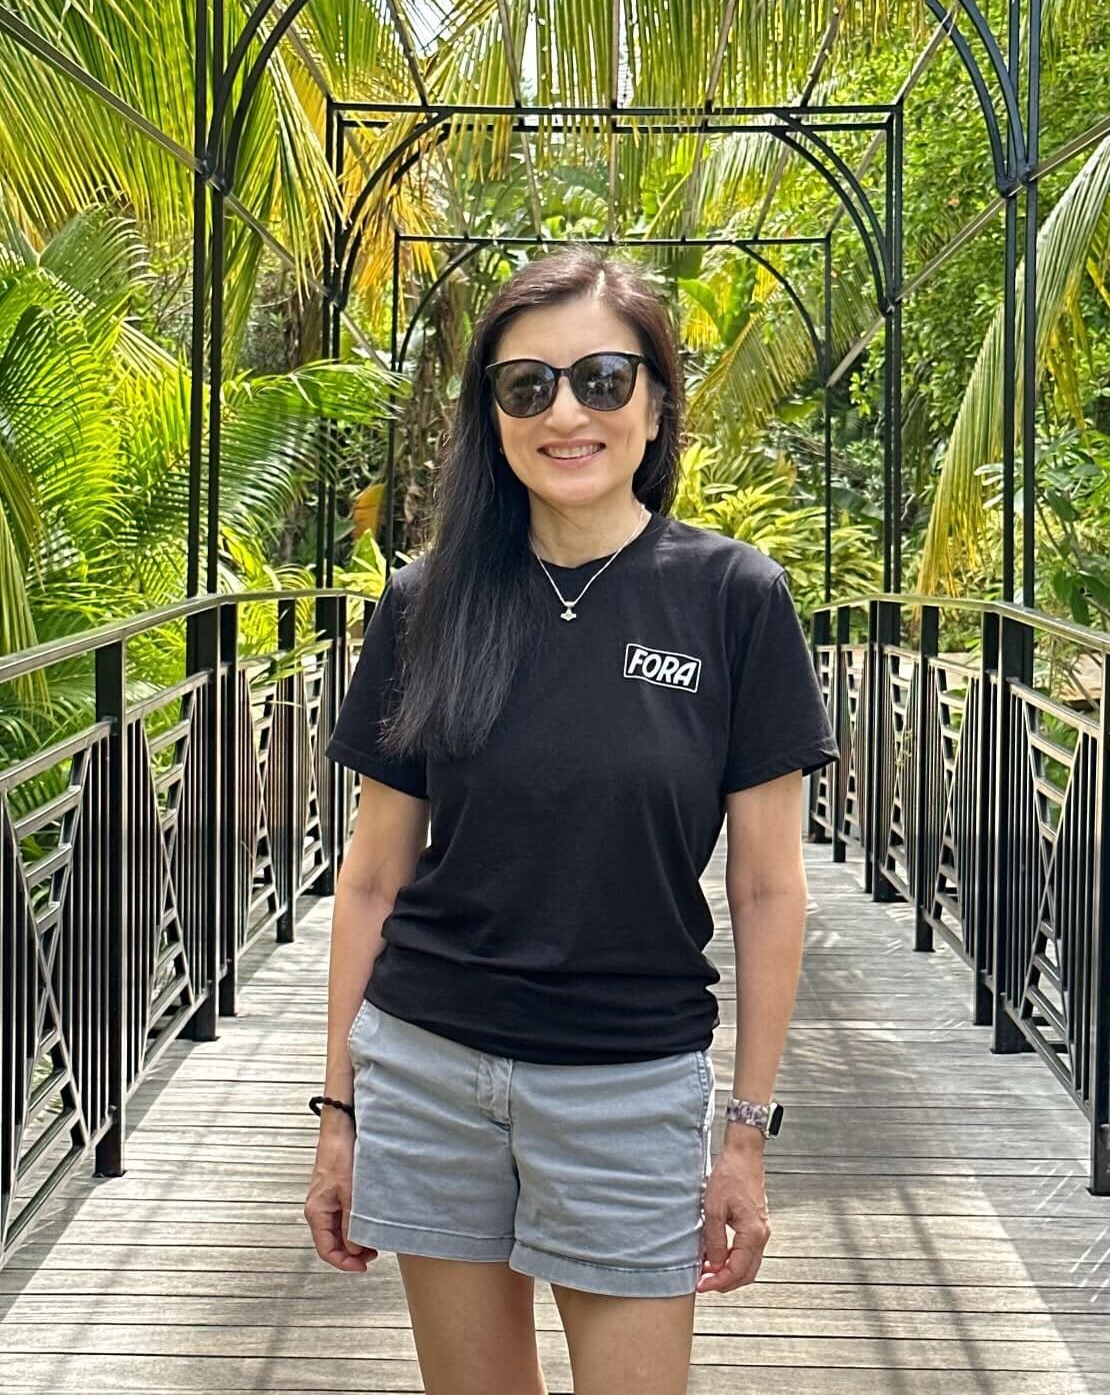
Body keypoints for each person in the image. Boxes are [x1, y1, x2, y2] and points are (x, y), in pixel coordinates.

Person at [303, 247, 840, 1395]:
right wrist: (338, 1114)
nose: (565, 412)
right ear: (491, 414)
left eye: (601, 378)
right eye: (526, 385)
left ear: (655, 402)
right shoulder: (428, 601)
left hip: (627, 1081)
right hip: (430, 1067)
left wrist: (745, 1131)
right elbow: (372, 879)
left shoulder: (734, 597)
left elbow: (766, 888)